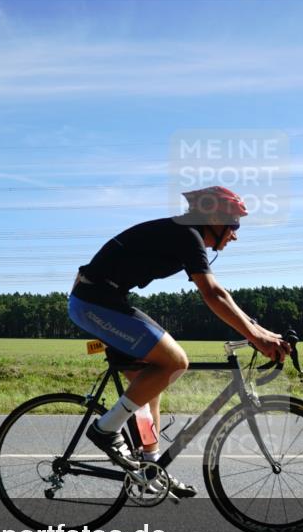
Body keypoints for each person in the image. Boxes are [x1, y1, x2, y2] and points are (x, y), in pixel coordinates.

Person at [67, 186, 291, 496]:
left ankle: (150, 467)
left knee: (149, 386)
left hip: (103, 298)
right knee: (175, 362)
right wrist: (257, 336)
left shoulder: (185, 233)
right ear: (213, 217)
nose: (235, 235)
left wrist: (263, 333)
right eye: (234, 225)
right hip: (93, 302)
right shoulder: (188, 235)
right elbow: (213, 294)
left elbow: (220, 294)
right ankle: (105, 429)